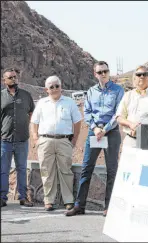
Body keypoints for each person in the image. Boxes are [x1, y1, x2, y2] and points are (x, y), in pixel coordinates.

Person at [65, 61, 124, 217]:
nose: (103, 74)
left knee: (112, 170)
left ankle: (109, 206)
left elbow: (118, 113)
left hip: (111, 132)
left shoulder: (118, 90)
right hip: (94, 132)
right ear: (95, 74)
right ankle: (79, 205)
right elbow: (88, 111)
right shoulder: (91, 91)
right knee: (86, 168)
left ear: (109, 72)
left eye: (105, 71)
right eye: (100, 72)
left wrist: (105, 129)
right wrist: (95, 128)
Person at [30, 76, 82, 211]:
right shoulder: (41, 103)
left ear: (61, 87)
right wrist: (36, 139)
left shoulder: (69, 102)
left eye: (56, 86)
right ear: (46, 89)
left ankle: (68, 200)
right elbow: (34, 122)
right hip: (45, 141)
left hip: (64, 141)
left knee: (66, 170)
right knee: (47, 171)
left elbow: (77, 122)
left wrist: (74, 140)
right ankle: (49, 200)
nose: (54, 89)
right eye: (51, 87)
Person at [1, 68, 35, 207]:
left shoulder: (26, 95)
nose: (13, 79)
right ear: (4, 80)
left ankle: (23, 197)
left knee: (22, 168)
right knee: (3, 170)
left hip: (22, 139)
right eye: (10, 77)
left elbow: (32, 113)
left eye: (15, 77)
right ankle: (2, 198)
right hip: (5, 140)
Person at [116, 65, 148, 149]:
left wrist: (141, 128)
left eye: (145, 74)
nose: (142, 76)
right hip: (130, 141)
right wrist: (131, 124)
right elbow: (119, 117)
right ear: (134, 78)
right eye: (139, 74)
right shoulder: (128, 95)